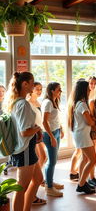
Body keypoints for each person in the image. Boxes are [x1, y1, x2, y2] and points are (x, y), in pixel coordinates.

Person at [3, 72, 43, 211]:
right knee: (21, 187)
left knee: (38, 179)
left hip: (25, 148)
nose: (33, 86)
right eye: (32, 83)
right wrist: (37, 128)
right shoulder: (23, 104)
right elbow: (25, 132)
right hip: (24, 149)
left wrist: (36, 129)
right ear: (25, 84)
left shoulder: (14, 102)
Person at [67, 80, 96, 194]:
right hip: (83, 135)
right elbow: (90, 122)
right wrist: (93, 120)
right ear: (84, 90)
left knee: (85, 159)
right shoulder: (82, 104)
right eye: (88, 88)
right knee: (93, 159)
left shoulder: (77, 103)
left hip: (80, 134)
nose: (90, 90)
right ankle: (81, 184)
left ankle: (82, 181)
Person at [42, 82, 64, 197]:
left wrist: (61, 129)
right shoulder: (47, 103)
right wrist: (51, 137)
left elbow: (55, 118)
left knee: (54, 159)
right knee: (52, 161)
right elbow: (44, 122)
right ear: (52, 90)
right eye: (58, 89)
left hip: (56, 132)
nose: (60, 91)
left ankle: (49, 181)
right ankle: (49, 187)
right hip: (49, 134)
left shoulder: (55, 101)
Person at [28, 82, 47, 205]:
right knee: (40, 158)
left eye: (41, 89)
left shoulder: (39, 102)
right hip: (33, 135)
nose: (39, 91)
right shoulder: (28, 102)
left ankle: (37, 179)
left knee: (43, 157)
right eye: (37, 89)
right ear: (31, 89)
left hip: (39, 133)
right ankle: (34, 182)